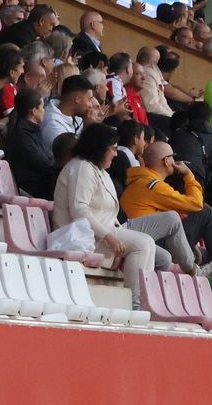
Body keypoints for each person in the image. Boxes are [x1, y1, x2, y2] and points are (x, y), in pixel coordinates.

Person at [54, 124, 189, 310]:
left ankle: (142, 301)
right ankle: (134, 304)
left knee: (150, 245)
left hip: (101, 232)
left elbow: (108, 214)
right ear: (99, 148)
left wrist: (115, 236)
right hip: (82, 237)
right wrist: (110, 238)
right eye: (113, 149)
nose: (116, 154)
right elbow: (79, 211)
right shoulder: (81, 168)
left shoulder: (98, 170)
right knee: (142, 244)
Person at [121, 140, 212, 277]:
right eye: (173, 156)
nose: (176, 160)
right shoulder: (153, 186)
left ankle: (207, 264)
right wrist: (188, 174)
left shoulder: (142, 181)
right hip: (147, 240)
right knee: (205, 214)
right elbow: (196, 204)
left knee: (185, 224)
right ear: (166, 161)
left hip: (146, 239)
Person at [3, 86, 55, 201]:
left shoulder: (32, 130)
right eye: (42, 107)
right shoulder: (22, 135)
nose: (44, 110)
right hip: (31, 190)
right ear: (34, 111)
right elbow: (43, 163)